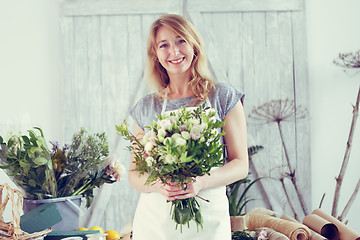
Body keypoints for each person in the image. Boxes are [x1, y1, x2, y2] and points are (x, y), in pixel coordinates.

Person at [129, 14, 249, 239]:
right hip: (155, 225)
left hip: (209, 222)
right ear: (155, 54)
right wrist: (159, 184)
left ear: (194, 45)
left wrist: (201, 181)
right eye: (164, 45)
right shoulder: (147, 107)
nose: (174, 52)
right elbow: (135, 174)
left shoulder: (222, 97)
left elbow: (240, 165)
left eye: (180, 41)